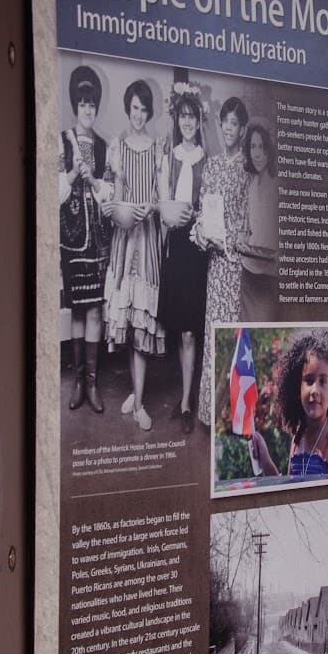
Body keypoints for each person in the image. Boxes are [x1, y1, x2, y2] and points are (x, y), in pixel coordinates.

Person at [103, 78, 164, 430]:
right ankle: (136, 392)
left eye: (144, 109)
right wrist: (118, 210)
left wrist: (151, 208)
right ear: (128, 109)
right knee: (128, 320)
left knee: (142, 318)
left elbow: (161, 196)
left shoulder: (156, 148)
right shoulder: (118, 147)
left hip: (148, 237)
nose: (139, 114)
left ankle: (139, 402)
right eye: (134, 108)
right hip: (126, 240)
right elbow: (116, 197)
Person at [193, 96, 250, 426]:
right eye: (224, 122)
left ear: (242, 129)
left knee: (235, 337)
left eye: (234, 123)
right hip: (215, 268)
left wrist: (226, 242)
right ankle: (211, 414)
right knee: (213, 334)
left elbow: (246, 222)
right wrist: (201, 232)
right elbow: (203, 210)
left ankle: (234, 417)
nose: (228, 128)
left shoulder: (247, 168)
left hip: (236, 265)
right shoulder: (212, 165)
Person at [59, 65, 113, 413]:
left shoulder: (104, 147)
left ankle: (92, 384)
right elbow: (54, 193)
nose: (87, 109)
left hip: (98, 242)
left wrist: (93, 180)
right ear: (75, 106)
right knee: (77, 309)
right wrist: (71, 174)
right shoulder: (63, 141)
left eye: (92, 103)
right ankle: (78, 383)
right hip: (71, 238)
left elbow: (108, 193)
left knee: (95, 309)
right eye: (82, 103)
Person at [156, 85, 207, 433]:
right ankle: (186, 395)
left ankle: (187, 402)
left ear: (199, 121)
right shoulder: (168, 157)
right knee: (180, 329)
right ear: (177, 120)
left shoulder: (206, 158)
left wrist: (197, 216)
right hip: (175, 244)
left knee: (190, 331)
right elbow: (163, 205)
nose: (187, 122)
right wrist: (172, 215)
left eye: (192, 117)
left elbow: (212, 205)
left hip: (196, 247)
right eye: (183, 116)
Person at [249, 327, 328, 479]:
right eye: (309, 381)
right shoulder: (298, 439)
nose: (315, 390)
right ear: (297, 388)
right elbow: (288, 489)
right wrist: (265, 459)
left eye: (323, 382)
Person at [239, 121, 279, 321]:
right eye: (253, 146)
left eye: (262, 147)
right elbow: (252, 228)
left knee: (264, 325)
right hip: (249, 270)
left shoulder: (278, 183)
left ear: (269, 150)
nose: (257, 154)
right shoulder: (252, 183)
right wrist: (242, 240)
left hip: (270, 272)